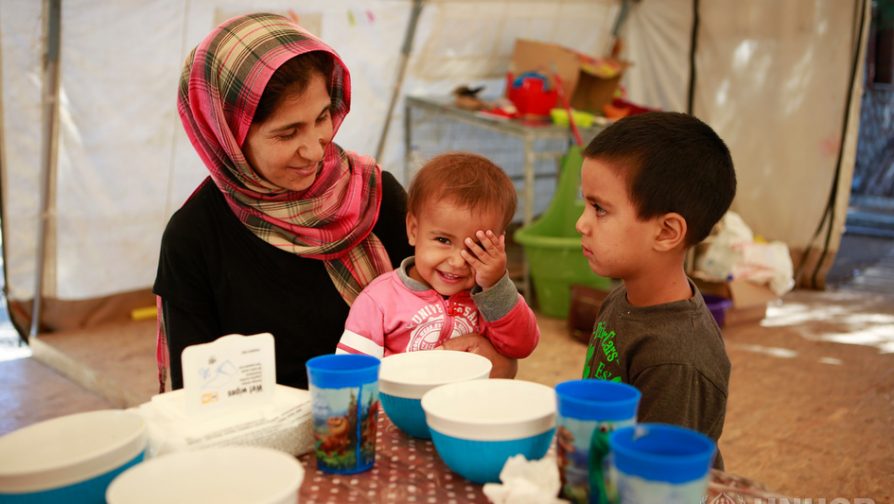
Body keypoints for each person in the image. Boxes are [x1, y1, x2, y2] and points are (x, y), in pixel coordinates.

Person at [576, 111, 736, 468]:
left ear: (666, 232)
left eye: (600, 209)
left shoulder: (677, 360)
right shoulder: (623, 297)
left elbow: (657, 478)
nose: (581, 223)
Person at [336, 152, 540, 364]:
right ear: (413, 230)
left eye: (476, 247)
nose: (458, 262)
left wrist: (496, 285)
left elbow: (522, 345)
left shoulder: (490, 299)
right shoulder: (378, 301)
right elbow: (352, 371)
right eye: (443, 240)